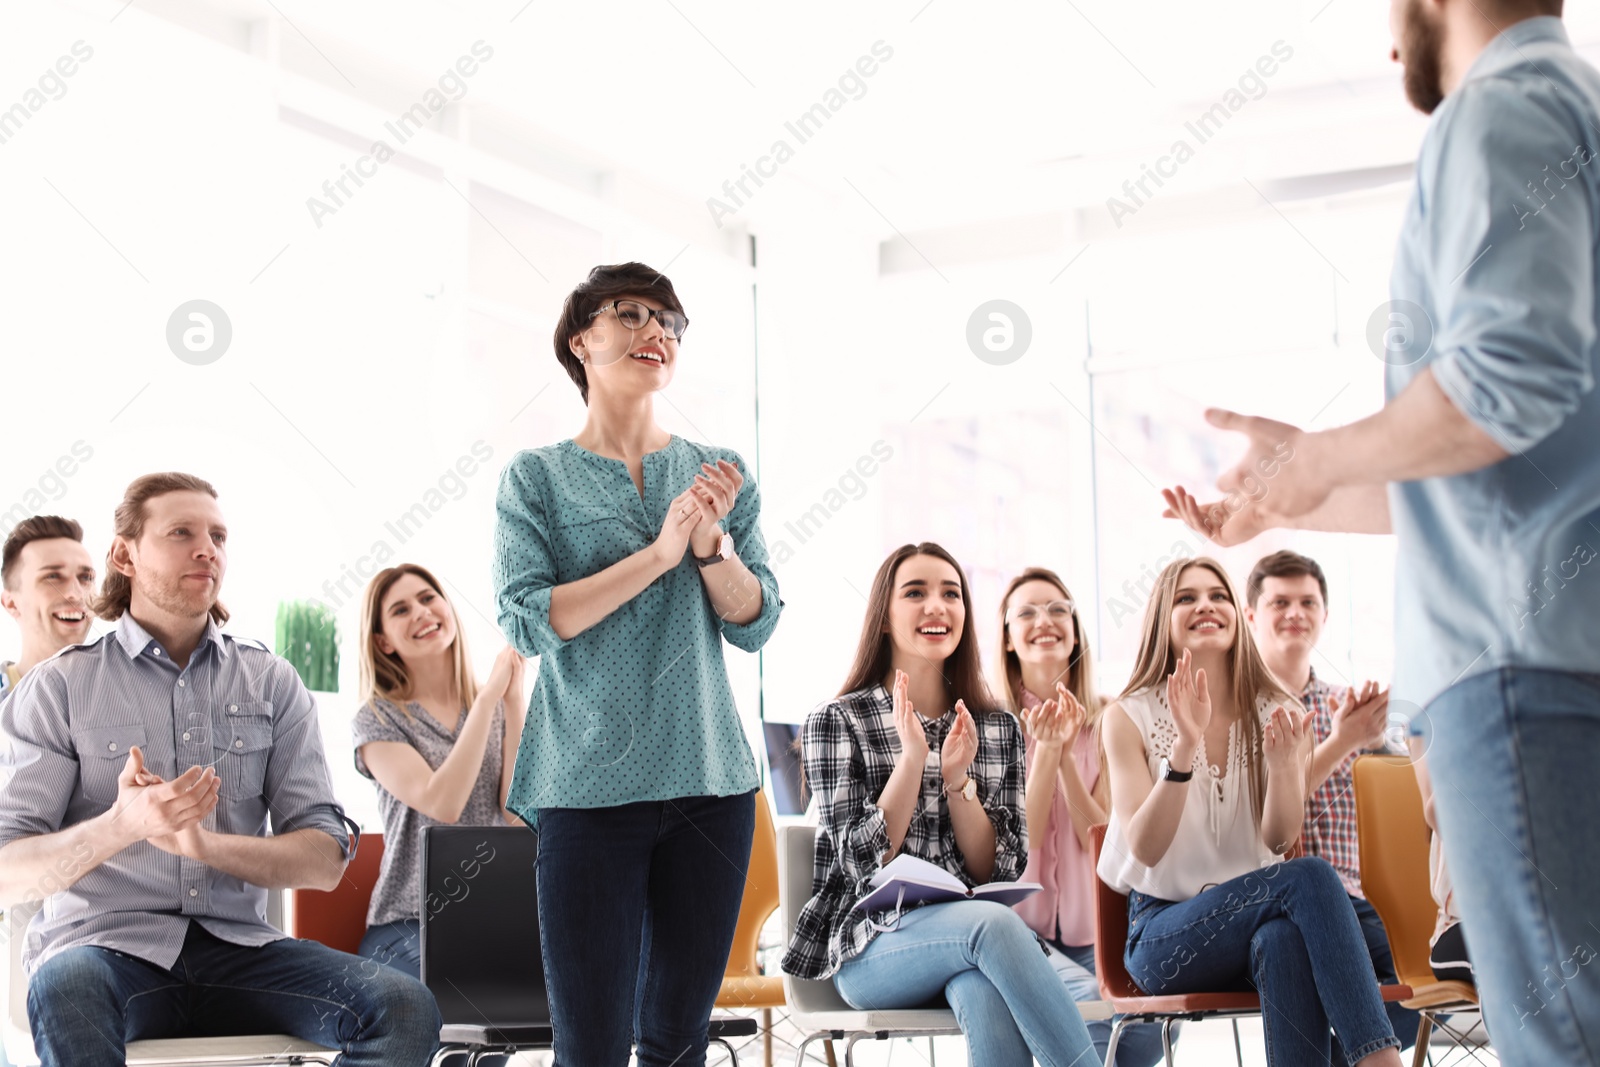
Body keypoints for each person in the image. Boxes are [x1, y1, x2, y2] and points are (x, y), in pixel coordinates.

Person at [1160, 2, 1600, 1056]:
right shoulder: (1572, 113)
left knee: (1561, 1036)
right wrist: (1301, 492)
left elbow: (1504, 384)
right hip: (1557, 642)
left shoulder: (1495, 114)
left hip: (1517, 666)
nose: (1388, 38)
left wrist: (1321, 456)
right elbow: (1502, 452)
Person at [0, 473, 440, 1067]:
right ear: (124, 554)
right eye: (181, 532)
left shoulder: (271, 681)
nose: (207, 548)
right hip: (106, 951)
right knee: (64, 986)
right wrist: (121, 826)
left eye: (218, 535)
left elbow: (325, 860)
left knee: (404, 1006)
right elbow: (8, 873)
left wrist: (204, 846)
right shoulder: (60, 686)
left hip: (243, 955)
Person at [493, 263, 783, 1067]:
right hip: (585, 788)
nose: (658, 332)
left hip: (709, 784)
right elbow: (526, 619)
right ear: (581, 340)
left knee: (677, 1045)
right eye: (633, 314)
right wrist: (660, 554)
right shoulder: (536, 478)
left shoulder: (719, 471)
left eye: (671, 323)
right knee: (589, 1050)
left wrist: (709, 547)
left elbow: (758, 622)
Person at [781, 543, 1097, 1067]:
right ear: (884, 617)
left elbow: (997, 868)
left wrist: (957, 783)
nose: (937, 606)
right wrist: (911, 762)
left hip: (970, 944)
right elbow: (864, 864)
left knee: (983, 987)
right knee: (992, 928)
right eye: (916, 593)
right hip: (872, 950)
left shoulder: (997, 728)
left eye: (951, 593)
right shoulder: (836, 722)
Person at [1099, 557, 1402, 1067]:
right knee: (1308, 877)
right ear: (1161, 619)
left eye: (1217, 595)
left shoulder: (1276, 707)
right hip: (1164, 938)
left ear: (1236, 615)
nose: (1206, 606)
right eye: (1186, 597)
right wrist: (1184, 747)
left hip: (1254, 923)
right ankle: (1379, 1061)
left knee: (1283, 937)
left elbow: (1279, 838)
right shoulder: (1127, 716)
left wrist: (1285, 768)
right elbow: (1145, 848)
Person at [1243, 550, 1420, 1049]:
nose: (1295, 612)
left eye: (1307, 602)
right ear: (1252, 615)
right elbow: (1266, 819)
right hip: (1285, 899)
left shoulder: (1349, 704)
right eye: (1280, 602)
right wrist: (1342, 741)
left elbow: (1402, 797)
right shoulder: (1236, 710)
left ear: (1324, 615)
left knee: (1425, 973)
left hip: (1362, 897)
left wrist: (1378, 740)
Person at [995, 566, 1166, 1067]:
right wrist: (1044, 750)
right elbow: (1015, 843)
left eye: (1056, 609)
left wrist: (1066, 756)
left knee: (1154, 1024)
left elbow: (1107, 839)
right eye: (1025, 612)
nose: (1043, 620)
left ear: (1074, 631)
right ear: (1007, 639)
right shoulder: (992, 723)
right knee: (1087, 1012)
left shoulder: (1112, 717)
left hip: (1098, 931)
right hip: (1019, 934)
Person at [352, 563, 526, 980]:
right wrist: (486, 702)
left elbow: (517, 816)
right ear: (383, 642)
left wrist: (514, 702)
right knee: (465, 988)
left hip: (491, 920)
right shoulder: (377, 720)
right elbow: (442, 804)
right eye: (400, 610)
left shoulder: (499, 706)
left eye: (428, 598)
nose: (420, 612)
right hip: (407, 924)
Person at [0, 515, 96, 697]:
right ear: (11, 603)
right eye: (53, 577)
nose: (75, 594)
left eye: (86, 578)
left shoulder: (131, 692)